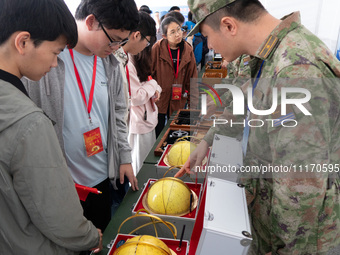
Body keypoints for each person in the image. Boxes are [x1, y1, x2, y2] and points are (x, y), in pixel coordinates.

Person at [176, 0, 340, 254]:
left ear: (228, 25)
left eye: (207, 37)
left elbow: (301, 192)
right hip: (267, 214)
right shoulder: (265, 57)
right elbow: (241, 107)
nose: (209, 46)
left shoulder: (296, 70)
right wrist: (207, 141)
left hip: (294, 240)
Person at [23, 0, 139, 233]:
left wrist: (124, 157)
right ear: (91, 21)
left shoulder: (111, 64)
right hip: (61, 184)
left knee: (102, 236)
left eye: (122, 41)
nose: (117, 46)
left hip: (101, 176)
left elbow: (118, 112)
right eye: (114, 38)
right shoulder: (48, 57)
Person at [0, 0, 103, 254]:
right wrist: (90, 236)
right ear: (23, 42)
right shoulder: (28, 122)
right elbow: (57, 215)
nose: (56, 64)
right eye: (56, 52)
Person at [114, 12, 161, 175]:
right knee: (140, 167)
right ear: (136, 35)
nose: (147, 47)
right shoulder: (124, 61)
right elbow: (136, 97)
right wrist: (153, 84)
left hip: (140, 118)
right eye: (147, 43)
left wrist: (152, 86)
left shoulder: (127, 58)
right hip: (136, 121)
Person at [152, 16, 198, 137]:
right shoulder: (157, 49)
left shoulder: (187, 50)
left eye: (179, 29)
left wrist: (193, 107)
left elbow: (192, 79)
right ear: (164, 36)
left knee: (176, 133)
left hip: (178, 100)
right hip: (159, 101)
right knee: (158, 134)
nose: (178, 34)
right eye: (172, 32)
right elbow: (149, 74)